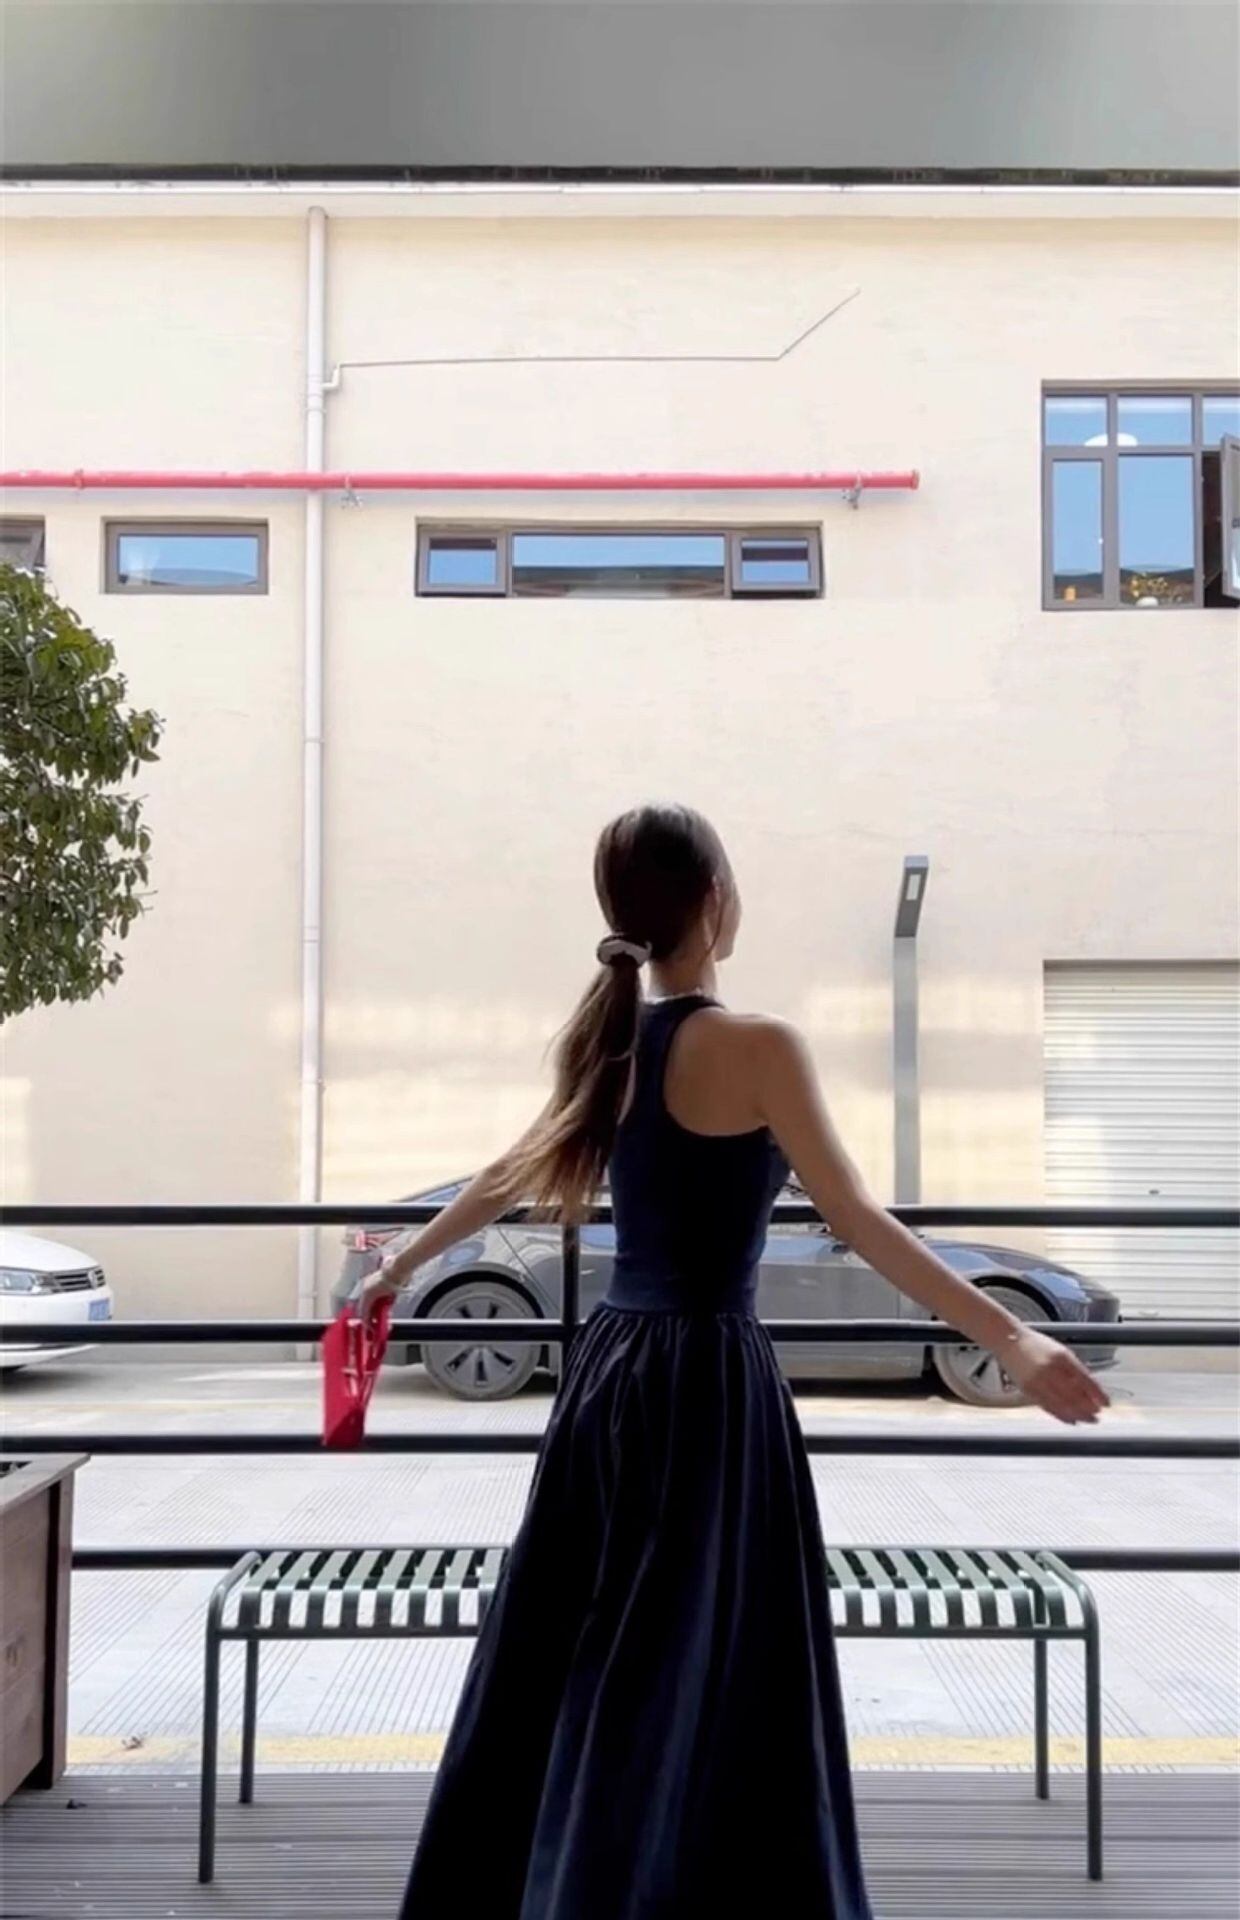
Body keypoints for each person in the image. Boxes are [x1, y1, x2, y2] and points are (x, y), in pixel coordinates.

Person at [364, 803, 1108, 1920]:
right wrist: (1010, 1333)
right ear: (714, 901)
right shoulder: (759, 1047)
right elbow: (858, 1220)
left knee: (580, 1649)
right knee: (714, 1663)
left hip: (611, 1378)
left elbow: (505, 1175)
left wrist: (396, 1264)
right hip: (709, 1384)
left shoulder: (608, 1046)